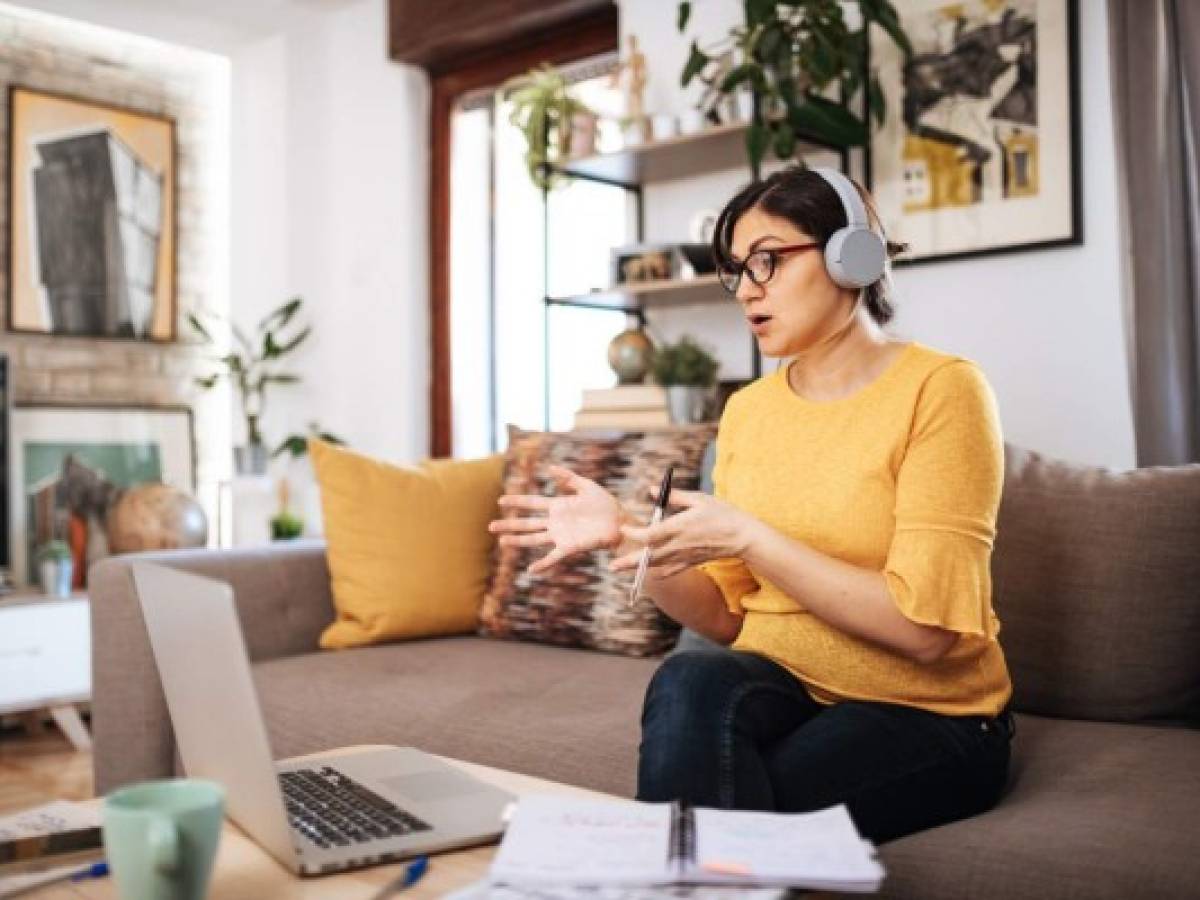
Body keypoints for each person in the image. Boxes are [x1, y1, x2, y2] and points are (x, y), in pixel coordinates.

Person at [488, 165, 1014, 845]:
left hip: (930, 714)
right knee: (689, 676)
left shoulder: (943, 390)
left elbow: (926, 631)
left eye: (767, 260)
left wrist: (750, 537)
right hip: (786, 689)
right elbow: (724, 617)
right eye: (736, 270)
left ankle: (654, 875)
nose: (746, 289)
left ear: (848, 253)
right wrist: (626, 538)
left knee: (733, 817)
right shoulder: (748, 412)